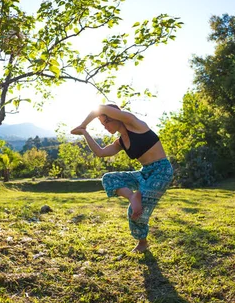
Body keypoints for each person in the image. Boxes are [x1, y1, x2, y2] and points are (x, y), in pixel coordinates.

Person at [71, 104, 173, 252]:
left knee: (136, 211)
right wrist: (84, 132)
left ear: (116, 116)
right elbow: (101, 152)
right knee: (108, 178)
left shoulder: (134, 123)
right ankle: (133, 197)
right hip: (144, 172)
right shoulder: (120, 142)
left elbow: (100, 107)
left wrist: (83, 124)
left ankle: (142, 243)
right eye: (102, 124)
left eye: (106, 122)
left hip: (161, 171)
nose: (105, 127)